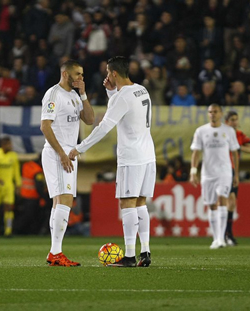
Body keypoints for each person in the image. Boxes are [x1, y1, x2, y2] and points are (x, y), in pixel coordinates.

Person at [69, 56, 155, 268]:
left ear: (114, 73)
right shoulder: (142, 90)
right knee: (141, 203)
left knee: (127, 203)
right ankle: (145, 251)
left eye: (108, 73)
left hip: (131, 157)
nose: (106, 77)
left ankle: (128, 256)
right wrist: (110, 92)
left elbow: (105, 127)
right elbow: (124, 110)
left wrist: (80, 148)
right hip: (148, 154)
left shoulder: (122, 97)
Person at [40, 59, 94, 267]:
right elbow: (45, 126)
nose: (81, 78)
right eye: (78, 74)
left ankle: (55, 252)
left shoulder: (74, 95)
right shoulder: (53, 94)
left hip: (68, 154)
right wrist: (61, 153)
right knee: (65, 200)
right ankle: (55, 252)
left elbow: (89, 120)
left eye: (82, 74)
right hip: (57, 154)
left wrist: (84, 94)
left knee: (59, 202)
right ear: (65, 74)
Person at [189, 104, 240, 249]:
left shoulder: (229, 131)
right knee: (211, 205)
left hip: (224, 172)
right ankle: (216, 238)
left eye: (215, 112)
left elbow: (235, 153)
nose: (212, 114)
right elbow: (196, 152)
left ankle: (221, 238)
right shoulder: (201, 131)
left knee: (221, 199)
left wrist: (235, 174)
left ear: (221, 113)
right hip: (207, 173)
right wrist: (193, 172)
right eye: (210, 112)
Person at [224, 111, 250, 246]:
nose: (235, 122)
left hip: (233, 171)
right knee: (225, 203)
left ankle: (227, 233)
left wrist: (237, 146)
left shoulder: (239, 135)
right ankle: (225, 234)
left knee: (231, 203)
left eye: (236, 119)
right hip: (222, 171)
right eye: (232, 119)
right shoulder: (221, 134)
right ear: (226, 122)